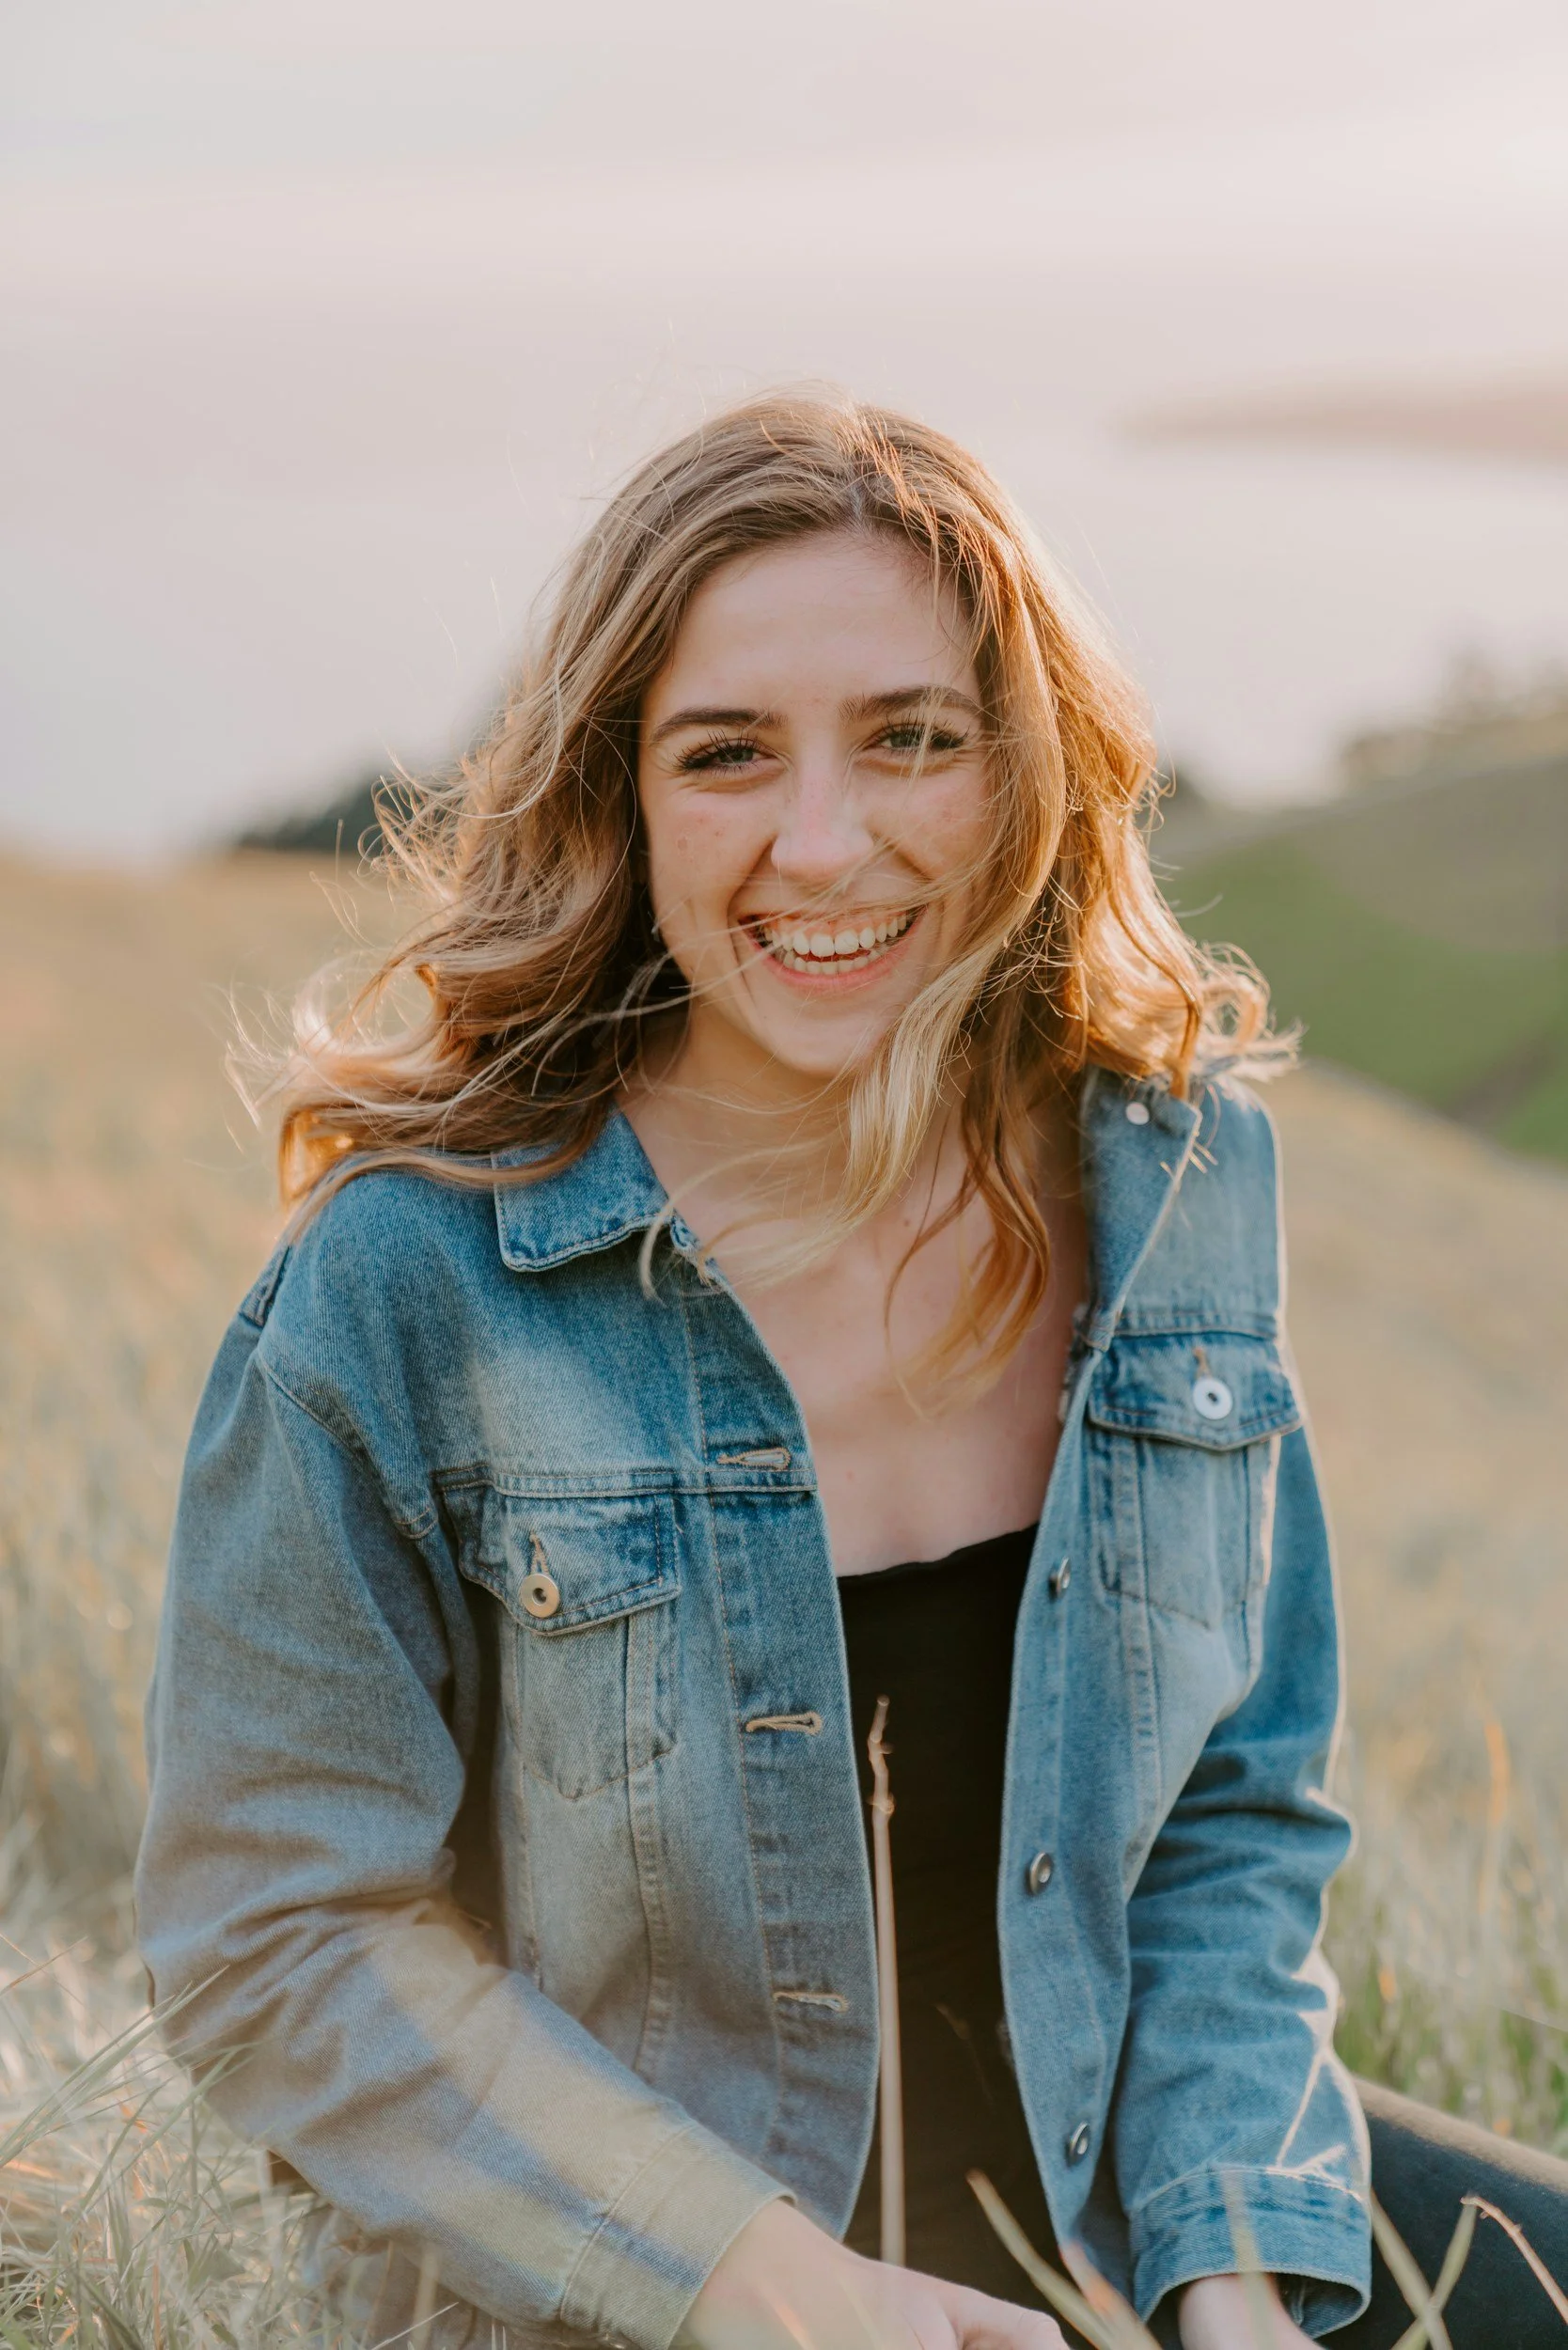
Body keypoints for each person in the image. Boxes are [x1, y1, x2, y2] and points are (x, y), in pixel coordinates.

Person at [136, 396, 1568, 2350]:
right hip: (643, 2283)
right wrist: (765, 2281)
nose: (827, 841)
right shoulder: (412, 1281)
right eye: (728, 755)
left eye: (913, 736)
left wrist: (1233, 2270)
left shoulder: (1174, 1183)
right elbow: (274, 1934)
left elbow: (1230, 1805)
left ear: (1024, 768)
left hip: (1124, 2192)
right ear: (619, 803)